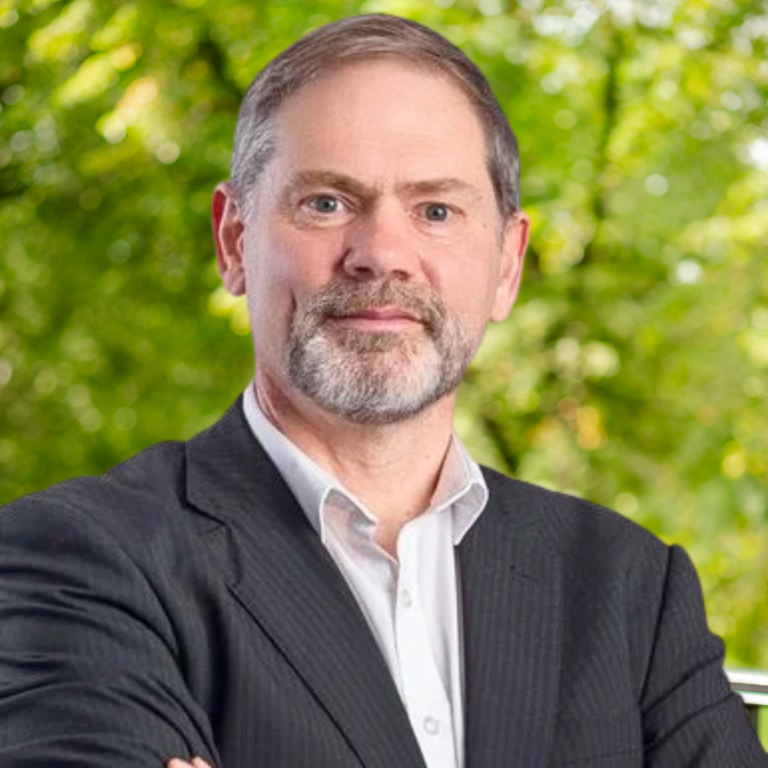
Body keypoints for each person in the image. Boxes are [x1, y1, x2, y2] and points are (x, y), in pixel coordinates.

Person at [0, 14, 765, 768]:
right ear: (234, 241)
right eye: (327, 202)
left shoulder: (630, 588)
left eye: (436, 210)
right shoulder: (77, 560)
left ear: (506, 265)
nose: (382, 255)